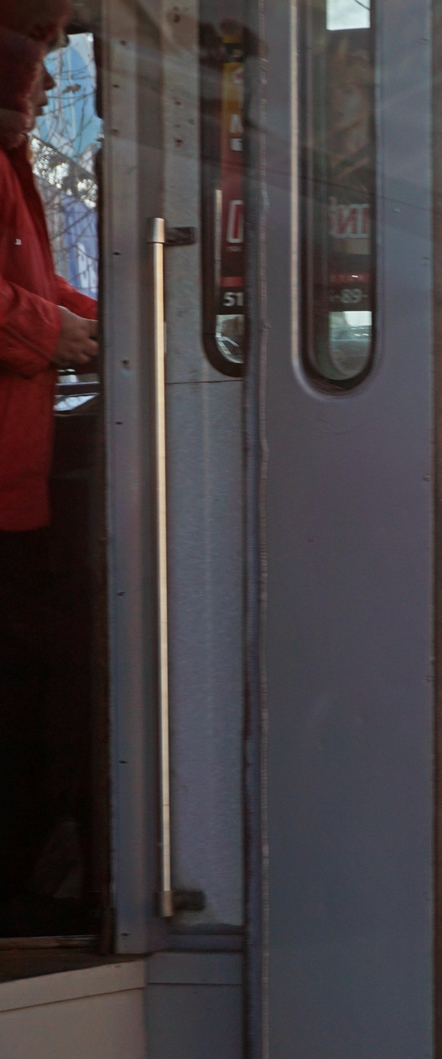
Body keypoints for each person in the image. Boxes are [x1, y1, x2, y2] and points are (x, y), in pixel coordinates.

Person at [0, 0, 100, 930]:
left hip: (14, 477)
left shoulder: (9, 159)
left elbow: (31, 285)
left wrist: (107, 319)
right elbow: (21, 305)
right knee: (32, 686)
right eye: (46, 49)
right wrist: (57, 331)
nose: (56, 75)